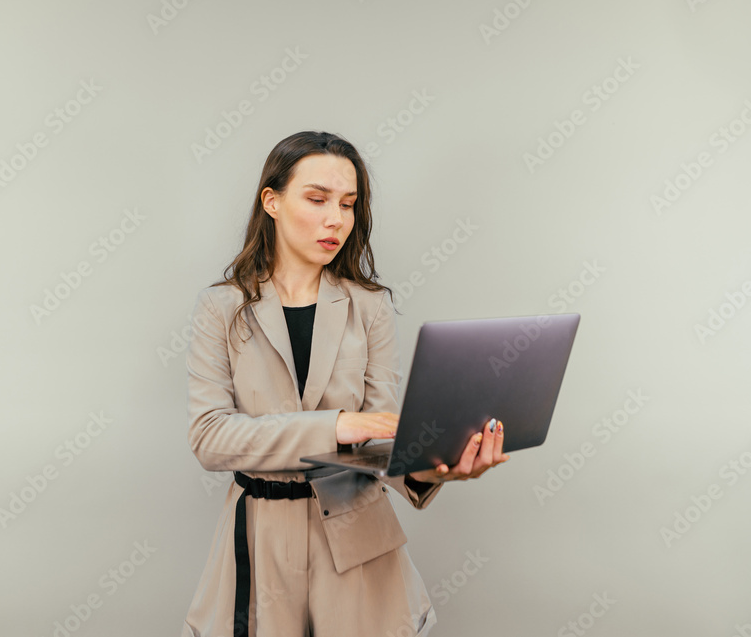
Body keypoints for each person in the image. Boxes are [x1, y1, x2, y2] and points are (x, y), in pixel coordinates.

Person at [181, 130, 509, 637]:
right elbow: (210, 437)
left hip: (358, 540)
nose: (336, 218)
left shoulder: (370, 306)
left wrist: (436, 468)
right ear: (271, 201)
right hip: (260, 540)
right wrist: (335, 426)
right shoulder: (221, 307)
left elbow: (379, 438)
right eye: (317, 199)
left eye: (348, 204)